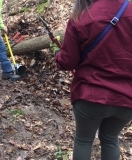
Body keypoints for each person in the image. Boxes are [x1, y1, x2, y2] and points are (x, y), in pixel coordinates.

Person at [52, 0, 132, 159]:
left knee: (83, 140)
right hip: (127, 97)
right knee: (110, 139)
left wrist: (57, 56)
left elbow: (68, 62)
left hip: (90, 95)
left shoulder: (81, 16)